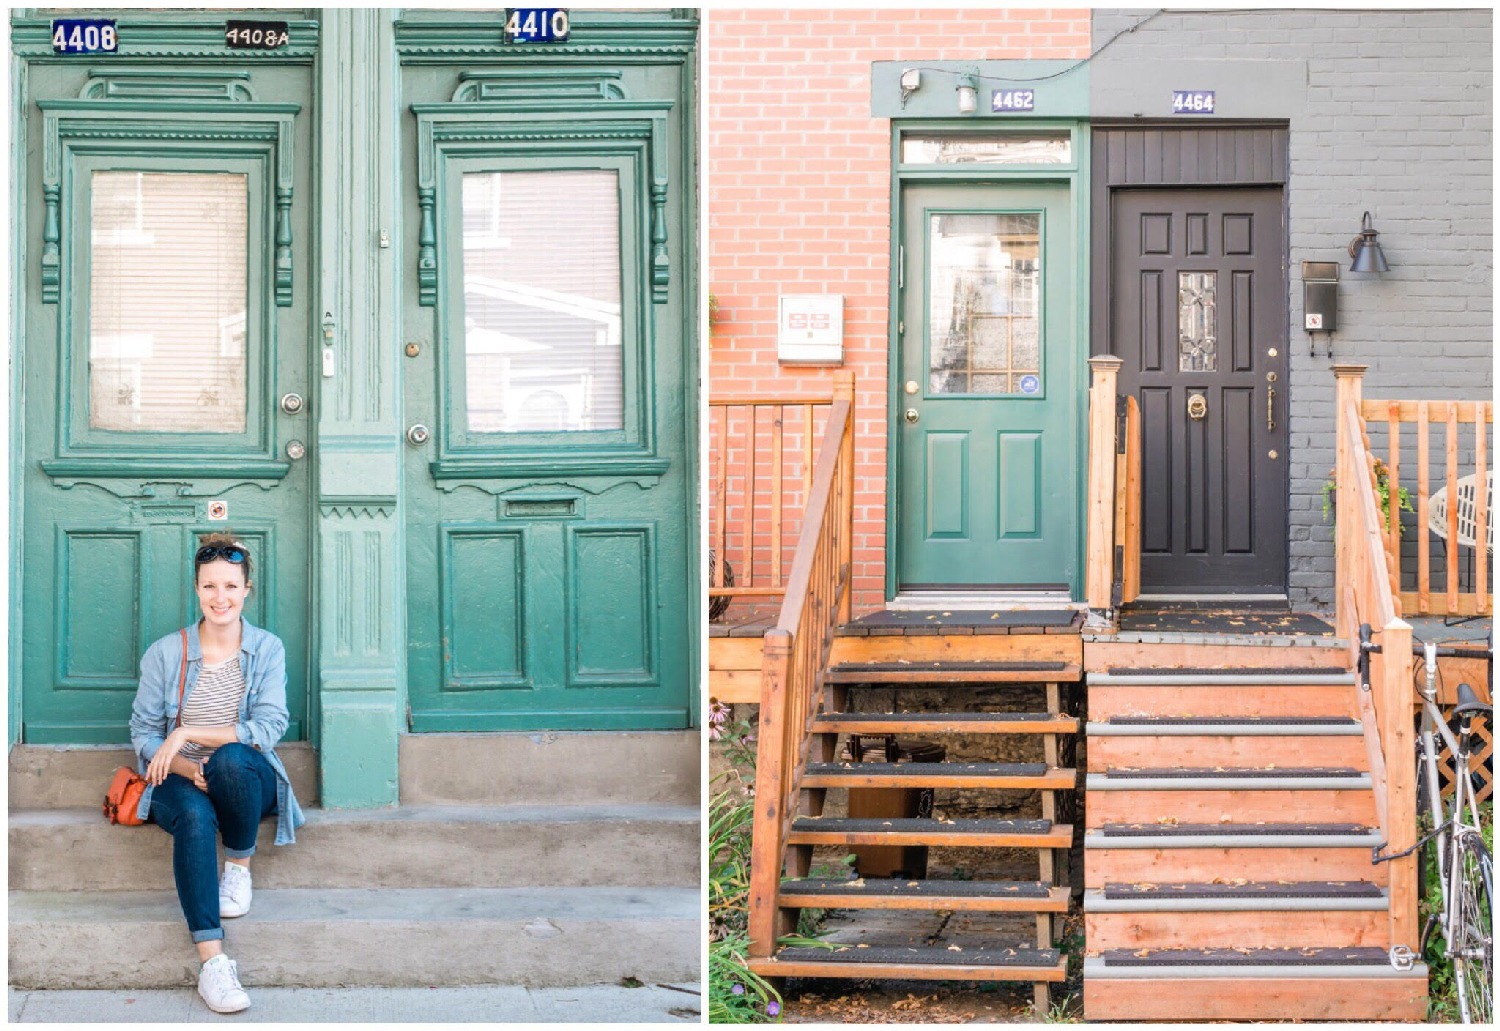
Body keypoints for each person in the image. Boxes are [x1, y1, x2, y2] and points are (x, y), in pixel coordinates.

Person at [128, 533, 305, 1014]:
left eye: (231, 586)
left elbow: (267, 728)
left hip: (243, 774)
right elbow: (142, 731)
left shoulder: (266, 649)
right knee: (194, 816)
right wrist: (182, 761)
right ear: (196, 589)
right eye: (210, 587)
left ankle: (240, 866)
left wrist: (187, 731)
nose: (220, 597)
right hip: (179, 778)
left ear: (247, 590)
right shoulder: (167, 652)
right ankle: (213, 963)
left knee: (229, 759)